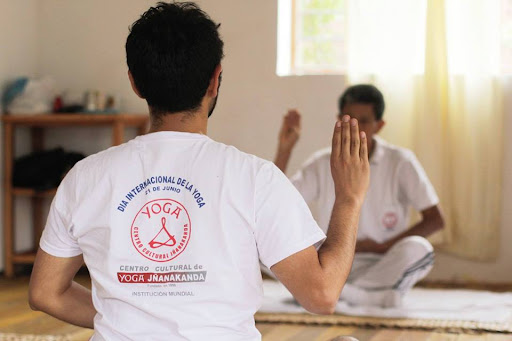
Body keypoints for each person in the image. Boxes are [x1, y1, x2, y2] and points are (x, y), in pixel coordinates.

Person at [28, 3, 369, 340]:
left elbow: (45, 293)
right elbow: (322, 295)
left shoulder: (84, 177)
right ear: (215, 80)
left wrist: (129, 320)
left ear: (135, 83)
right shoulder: (255, 176)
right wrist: (349, 199)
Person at [274, 84, 445, 308]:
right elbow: (277, 204)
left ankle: (335, 293)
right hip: (330, 263)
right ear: (338, 121)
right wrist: (285, 149)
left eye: (363, 121)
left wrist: (382, 247)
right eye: (348, 120)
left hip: (381, 263)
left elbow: (435, 219)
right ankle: (363, 295)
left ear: (379, 125)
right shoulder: (320, 162)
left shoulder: (400, 161)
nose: (355, 129)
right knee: (264, 241)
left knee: (420, 249)